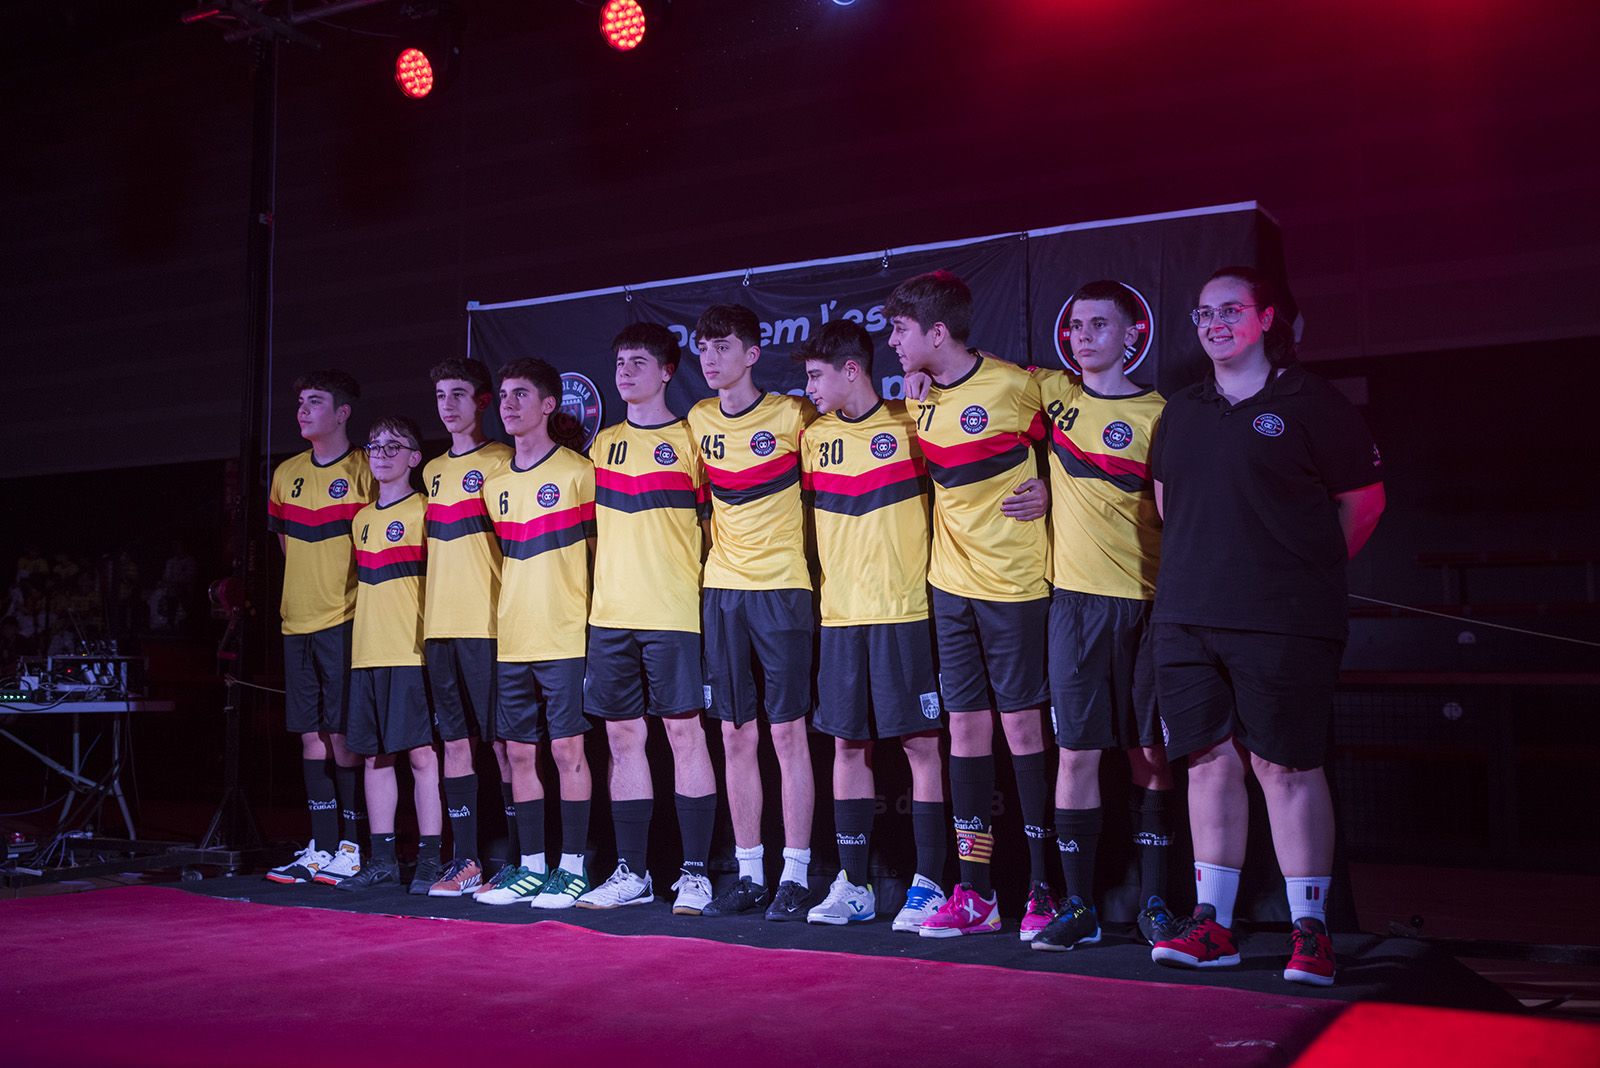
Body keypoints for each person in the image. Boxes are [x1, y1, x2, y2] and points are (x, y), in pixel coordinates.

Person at [1148, 266, 1385, 986]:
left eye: (1230, 310)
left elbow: (1364, 504)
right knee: (1207, 762)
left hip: (1284, 620)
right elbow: (1166, 503)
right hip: (1186, 616)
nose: (1214, 323)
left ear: (1266, 318)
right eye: (1202, 314)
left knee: (1285, 767)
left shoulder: (1312, 402)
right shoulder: (1183, 409)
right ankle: (1212, 924)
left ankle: (1309, 930)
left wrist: (1293, 571)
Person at [887, 271, 1053, 939]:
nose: (891, 342)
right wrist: (912, 389)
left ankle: (1044, 890)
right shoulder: (916, 398)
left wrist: (1054, 497)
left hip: (1015, 588)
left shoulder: (1019, 386)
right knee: (966, 736)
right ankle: (977, 892)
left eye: (900, 330)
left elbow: (1083, 449)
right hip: (949, 588)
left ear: (936, 331)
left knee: (1022, 735)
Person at [1024, 281, 1178, 952]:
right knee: (1078, 752)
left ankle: (1154, 904)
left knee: (1151, 754)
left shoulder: (1162, 415)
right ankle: (1080, 905)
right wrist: (915, 376)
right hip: (1075, 606)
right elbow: (963, 378)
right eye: (1076, 326)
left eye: (1099, 326)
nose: (1083, 336)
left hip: (1147, 606)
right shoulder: (1053, 398)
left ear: (1131, 336)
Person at [794, 321, 948, 929]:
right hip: (839, 618)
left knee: (922, 746)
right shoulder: (812, 439)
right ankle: (854, 885)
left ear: (851, 370)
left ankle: (932, 884)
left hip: (904, 613)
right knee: (847, 744)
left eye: (815, 375)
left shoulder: (914, 424)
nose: (807, 388)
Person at [578, 324, 720, 914]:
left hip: (672, 612)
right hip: (610, 614)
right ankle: (631, 874)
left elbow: (717, 530)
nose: (626, 371)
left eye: (639, 361)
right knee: (621, 738)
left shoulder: (692, 440)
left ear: (666, 371)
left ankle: (695, 874)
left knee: (684, 734)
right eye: (619, 362)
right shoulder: (599, 444)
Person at [686, 303, 817, 921]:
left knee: (788, 734)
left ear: (751, 355)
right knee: (735, 735)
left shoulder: (794, 415)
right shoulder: (699, 418)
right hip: (723, 592)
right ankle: (749, 872)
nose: (709, 359)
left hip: (785, 589)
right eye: (702, 349)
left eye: (721, 347)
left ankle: (796, 874)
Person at [480, 358, 598, 908]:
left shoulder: (578, 471)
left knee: (569, 751)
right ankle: (530, 866)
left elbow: (601, 560)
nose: (508, 404)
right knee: (520, 756)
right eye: (503, 395)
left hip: (566, 636)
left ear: (549, 405)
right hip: (513, 640)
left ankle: (571, 867)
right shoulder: (495, 484)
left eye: (520, 394)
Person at [264, 370, 374, 885]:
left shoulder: (365, 470)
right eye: (301, 401)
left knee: (344, 737)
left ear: (343, 412)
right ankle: (321, 846)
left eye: (315, 402)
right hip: (296, 623)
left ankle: (352, 846)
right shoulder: (286, 473)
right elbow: (286, 543)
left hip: (345, 620)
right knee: (310, 737)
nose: (303, 410)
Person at [335, 417, 444, 892]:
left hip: (410, 653)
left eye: (392, 446)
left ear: (414, 458)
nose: (380, 453)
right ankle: (381, 859)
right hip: (366, 655)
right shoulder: (360, 519)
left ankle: (429, 859)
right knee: (375, 758)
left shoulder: (425, 511)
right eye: (374, 445)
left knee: (421, 757)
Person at [421, 358, 516, 898]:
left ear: (483, 402)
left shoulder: (503, 460)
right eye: (440, 395)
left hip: (489, 626)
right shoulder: (432, 471)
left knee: (504, 746)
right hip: (440, 629)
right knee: (455, 745)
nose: (448, 404)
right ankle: (466, 861)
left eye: (459, 394)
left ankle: (518, 858)